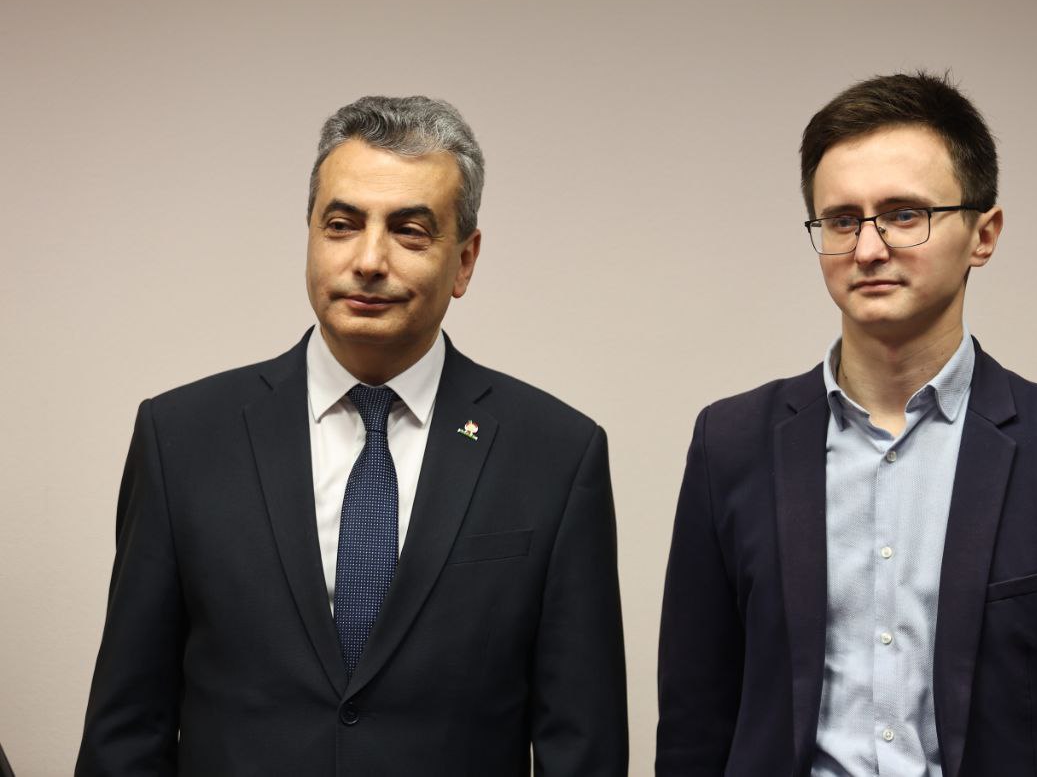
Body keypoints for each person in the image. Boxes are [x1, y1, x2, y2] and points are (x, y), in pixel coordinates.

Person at [76, 96, 628, 776]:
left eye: (409, 231)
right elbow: (127, 730)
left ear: (465, 260)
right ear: (310, 235)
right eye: (341, 225)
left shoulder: (556, 454)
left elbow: (583, 746)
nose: (368, 259)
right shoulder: (182, 439)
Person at [656, 72, 1037, 777]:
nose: (867, 249)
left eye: (903, 214)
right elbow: (694, 722)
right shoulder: (731, 444)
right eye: (842, 220)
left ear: (984, 234)